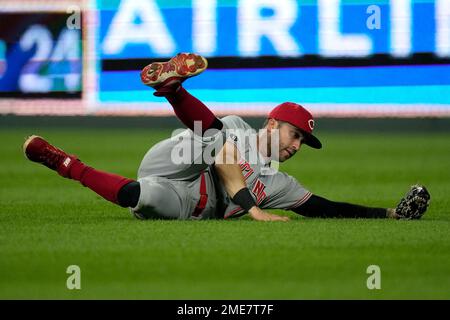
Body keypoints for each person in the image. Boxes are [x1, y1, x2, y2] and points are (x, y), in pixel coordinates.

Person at [23, 53, 430, 221]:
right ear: (273, 124)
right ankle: (175, 91)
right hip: (180, 158)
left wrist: (389, 215)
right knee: (221, 136)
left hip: (186, 200)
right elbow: (221, 159)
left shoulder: (279, 183)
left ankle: (65, 163)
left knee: (138, 198)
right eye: (294, 134)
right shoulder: (242, 128)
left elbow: (325, 207)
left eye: (303, 142)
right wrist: (251, 208)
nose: (295, 145)